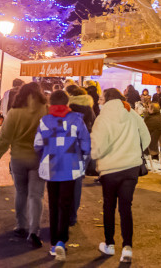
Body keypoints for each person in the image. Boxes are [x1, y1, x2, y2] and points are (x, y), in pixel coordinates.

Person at [91, 87, 150, 263]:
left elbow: (97, 147)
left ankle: (109, 245)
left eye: (101, 98)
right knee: (126, 208)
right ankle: (127, 248)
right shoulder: (131, 114)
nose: (99, 101)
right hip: (131, 167)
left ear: (107, 100)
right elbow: (145, 138)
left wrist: (96, 158)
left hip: (110, 169)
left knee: (109, 207)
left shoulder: (103, 118)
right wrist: (134, 151)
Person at [0, 82, 49, 249]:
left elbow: (5, 137)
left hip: (18, 159)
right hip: (38, 159)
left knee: (21, 192)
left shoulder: (14, 113)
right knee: (36, 196)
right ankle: (34, 231)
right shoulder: (46, 111)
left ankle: (20, 226)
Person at [33, 89, 91, 262]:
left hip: (51, 168)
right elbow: (86, 145)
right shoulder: (76, 120)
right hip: (71, 168)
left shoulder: (45, 121)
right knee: (65, 205)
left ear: (51, 104)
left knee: (53, 204)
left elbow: (37, 145)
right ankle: (61, 241)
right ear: (67, 103)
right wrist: (83, 157)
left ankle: (52, 244)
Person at [65, 85, 95, 226]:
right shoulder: (89, 108)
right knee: (77, 182)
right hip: (83, 147)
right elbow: (94, 125)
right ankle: (72, 216)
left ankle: (63, 212)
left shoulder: (68, 107)